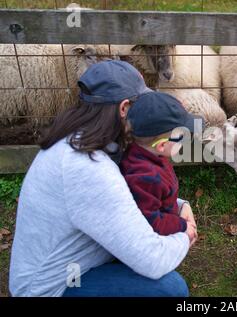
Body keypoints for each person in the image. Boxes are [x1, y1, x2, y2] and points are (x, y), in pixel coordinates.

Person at [9, 60, 197, 297]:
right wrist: (184, 234)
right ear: (124, 109)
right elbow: (152, 260)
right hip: (49, 288)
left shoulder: (81, 140)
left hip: (69, 264)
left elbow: (128, 194)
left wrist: (180, 205)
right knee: (169, 290)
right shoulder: (88, 169)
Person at [120, 92, 199, 242]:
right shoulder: (144, 177)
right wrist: (182, 226)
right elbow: (151, 222)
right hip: (153, 244)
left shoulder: (149, 155)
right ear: (162, 145)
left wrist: (181, 207)